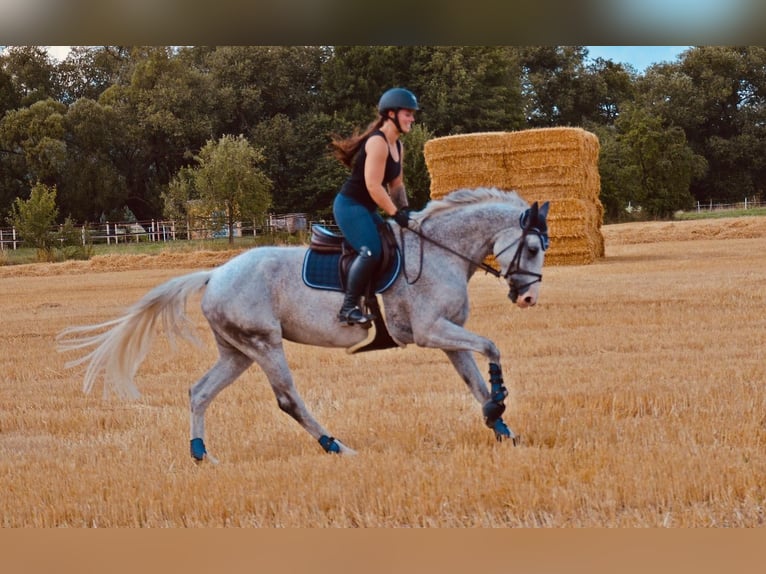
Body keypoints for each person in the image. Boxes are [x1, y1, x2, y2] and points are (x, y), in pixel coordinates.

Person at [330, 87, 418, 326]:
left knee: (395, 246)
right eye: (408, 114)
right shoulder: (377, 142)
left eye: (412, 114)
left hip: (366, 209)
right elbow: (372, 185)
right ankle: (348, 308)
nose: (412, 118)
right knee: (371, 251)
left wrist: (407, 212)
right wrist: (395, 214)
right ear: (391, 114)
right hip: (349, 206)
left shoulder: (398, 146)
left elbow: (396, 186)